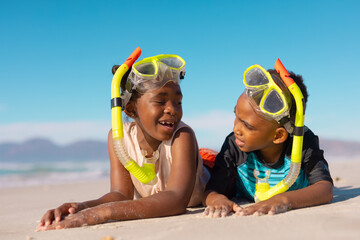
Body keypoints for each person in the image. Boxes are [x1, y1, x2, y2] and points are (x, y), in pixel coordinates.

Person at [37, 54, 209, 231]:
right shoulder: (119, 139)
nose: (172, 110)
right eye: (160, 101)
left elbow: (176, 199)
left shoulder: (182, 136)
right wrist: (82, 207)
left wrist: (104, 213)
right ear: (131, 109)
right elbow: (120, 194)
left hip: (209, 180)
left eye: (178, 102)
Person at [203, 62, 333, 217]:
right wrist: (217, 200)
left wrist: (282, 200)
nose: (236, 129)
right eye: (236, 116)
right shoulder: (234, 144)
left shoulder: (303, 143)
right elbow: (210, 191)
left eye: (247, 126)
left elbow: (325, 189)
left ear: (278, 136)